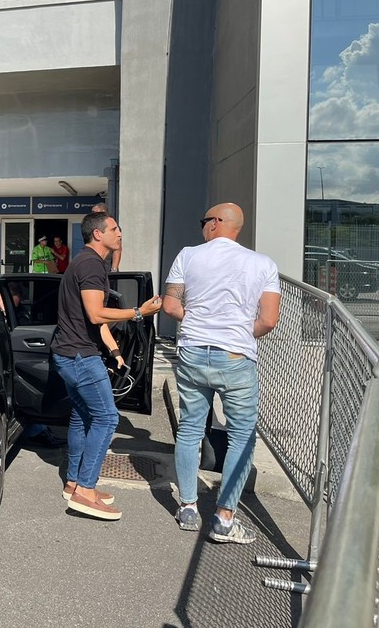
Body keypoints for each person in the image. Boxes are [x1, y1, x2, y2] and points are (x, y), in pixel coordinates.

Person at [163, 202, 281, 544]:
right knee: (241, 436)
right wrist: (239, 335)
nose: (202, 226)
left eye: (204, 221)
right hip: (236, 356)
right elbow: (269, 320)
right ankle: (225, 518)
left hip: (193, 353)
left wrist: (200, 324)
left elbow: (171, 305)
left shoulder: (187, 255)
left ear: (216, 223)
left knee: (189, 429)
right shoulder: (263, 264)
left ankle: (187, 507)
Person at [51, 211, 162, 520]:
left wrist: (115, 351)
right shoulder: (90, 265)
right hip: (79, 356)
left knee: (83, 415)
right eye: (114, 228)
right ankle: (86, 490)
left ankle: (74, 482)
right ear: (97, 234)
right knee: (107, 418)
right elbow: (97, 314)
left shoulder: (87, 264)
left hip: (68, 353)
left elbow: (92, 321)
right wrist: (138, 312)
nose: (120, 233)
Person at [91, 203, 121, 271]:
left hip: (107, 268)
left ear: (103, 212)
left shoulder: (113, 227)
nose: (92, 215)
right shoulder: (93, 227)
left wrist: (114, 270)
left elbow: (117, 250)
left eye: (95, 212)